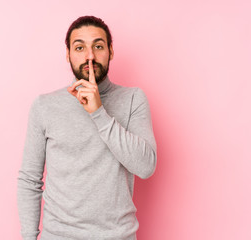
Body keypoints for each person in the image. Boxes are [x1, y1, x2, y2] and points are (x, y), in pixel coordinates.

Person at [17, 15, 157, 240]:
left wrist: (98, 112)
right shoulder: (44, 105)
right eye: (80, 47)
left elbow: (146, 166)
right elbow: (30, 180)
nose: (89, 56)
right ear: (68, 54)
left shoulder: (133, 99)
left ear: (111, 51)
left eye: (98, 46)